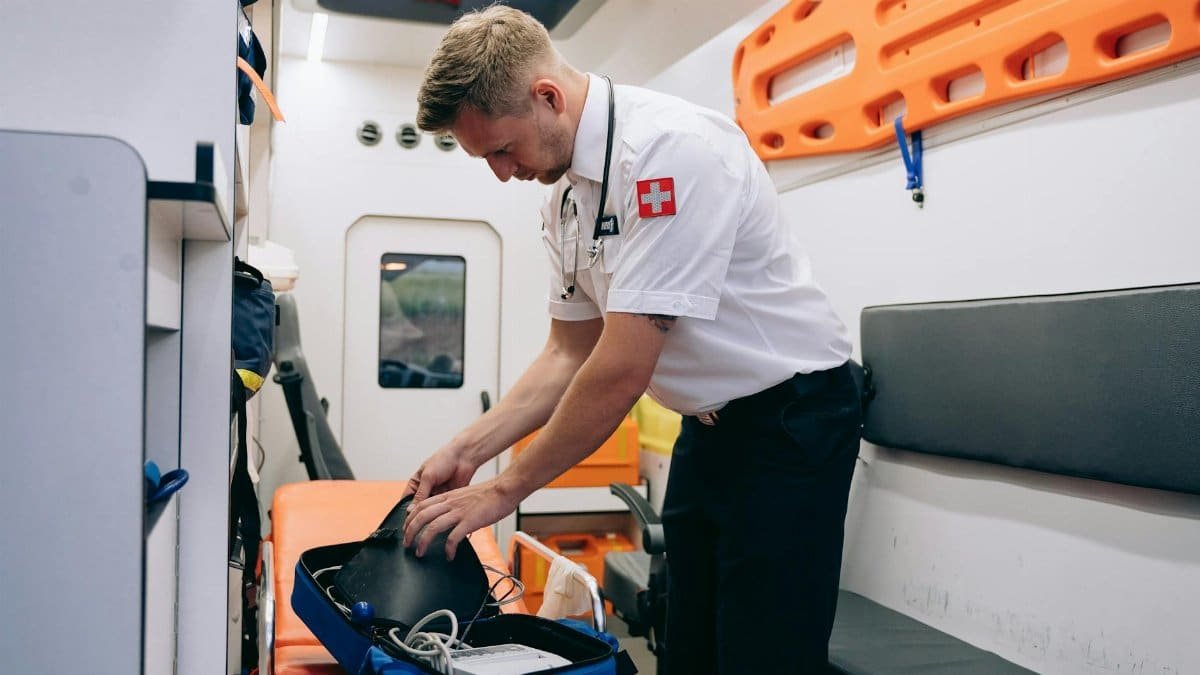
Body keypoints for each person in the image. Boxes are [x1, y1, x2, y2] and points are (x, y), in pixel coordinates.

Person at [401, 6, 862, 674]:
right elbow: (567, 353)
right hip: (710, 428)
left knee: (764, 653)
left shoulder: (670, 151)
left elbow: (620, 369)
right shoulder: (563, 198)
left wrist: (504, 491)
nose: (502, 172)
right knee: (688, 646)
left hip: (793, 421)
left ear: (548, 97)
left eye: (501, 149)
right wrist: (466, 451)